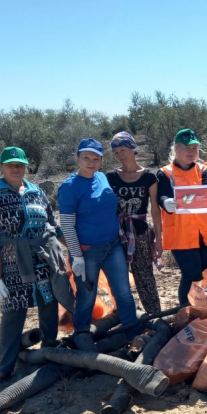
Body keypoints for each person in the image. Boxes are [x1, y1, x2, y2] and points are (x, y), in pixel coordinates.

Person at [0, 146, 68, 382]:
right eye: (10, 165)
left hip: (42, 258)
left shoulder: (36, 191)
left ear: (26, 166)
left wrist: (74, 251)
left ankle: (49, 352)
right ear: (2, 167)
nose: (15, 169)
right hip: (10, 261)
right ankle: (5, 366)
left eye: (20, 165)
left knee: (49, 305)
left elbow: (53, 224)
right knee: (13, 312)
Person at [58, 138, 138, 335]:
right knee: (86, 297)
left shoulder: (102, 177)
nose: (91, 162)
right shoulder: (69, 187)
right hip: (87, 252)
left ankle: (133, 335)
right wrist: (76, 256)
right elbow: (67, 225)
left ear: (101, 160)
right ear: (77, 158)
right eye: (86, 157)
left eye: (96, 158)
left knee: (123, 293)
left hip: (112, 247)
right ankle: (82, 339)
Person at [157, 128, 207, 306]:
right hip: (181, 235)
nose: (191, 152)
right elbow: (162, 195)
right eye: (187, 148)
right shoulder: (165, 173)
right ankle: (185, 312)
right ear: (176, 149)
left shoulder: (204, 170)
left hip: (205, 233)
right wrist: (166, 203)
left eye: (194, 148)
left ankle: (203, 309)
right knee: (191, 275)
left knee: (205, 272)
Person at [105, 131, 162, 313]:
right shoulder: (110, 177)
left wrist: (159, 240)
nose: (120, 155)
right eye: (116, 152)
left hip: (141, 232)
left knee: (145, 276)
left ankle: (155, 315)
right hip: (117, 233)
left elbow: (154, 209)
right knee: (119, 278)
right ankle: (124, 315)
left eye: (123, 150)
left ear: (133, 148)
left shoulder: (149, 177)